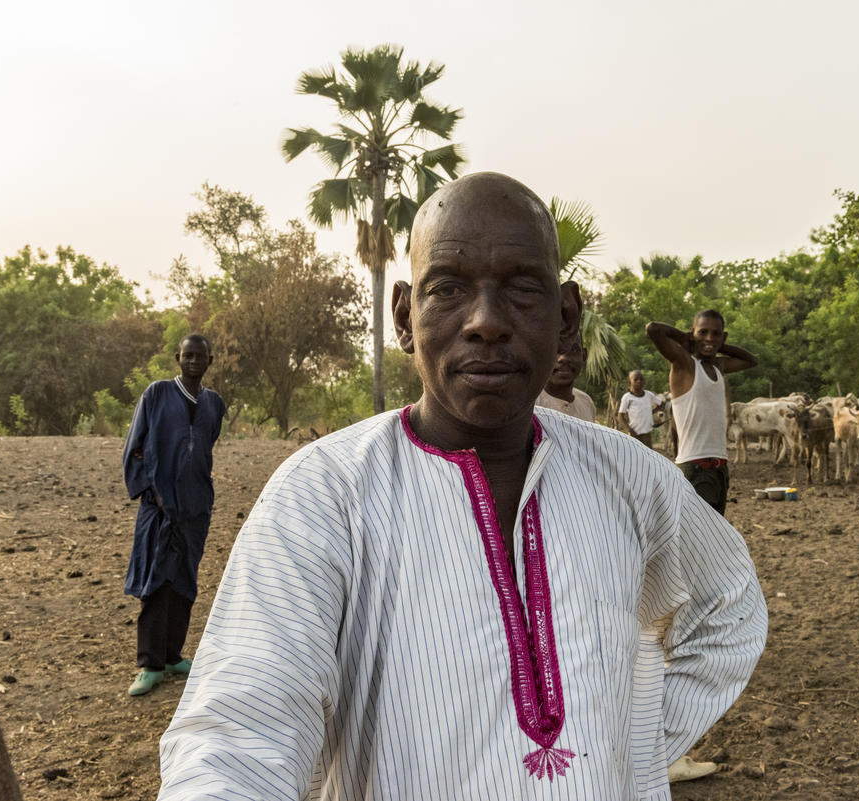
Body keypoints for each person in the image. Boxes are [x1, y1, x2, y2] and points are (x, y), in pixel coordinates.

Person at [157, 173, 766, 800]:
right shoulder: (324, 494)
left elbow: (729, 605)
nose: (485, 323)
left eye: (522, 289)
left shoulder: (630, 475)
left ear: (565, 318)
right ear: (403, 315)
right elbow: (234, 736)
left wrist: (629, 745)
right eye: (447, 288)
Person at [122, 334, 226, 697]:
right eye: (188, 355)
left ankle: (172, 656)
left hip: (196, 507)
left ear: (210, 361)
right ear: (177, 358)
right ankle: (149, 664)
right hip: (159, 507)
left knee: (184, 579)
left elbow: (205, 444)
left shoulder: (214, 403)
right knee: (155, 579)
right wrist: (149, 493)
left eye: (201, 356)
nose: (194, 361)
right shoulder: (157, 394)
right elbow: (135, 447)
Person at [646, 313, 757, 515]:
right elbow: (653, 329)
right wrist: (686, 339)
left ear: (724, 337)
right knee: (697, 539)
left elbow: (751, 360)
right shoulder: (685, 364)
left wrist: (717, 345)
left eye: (716, 334)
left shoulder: (719, 366)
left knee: (713, 536)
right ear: (692, 333)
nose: (709, 337)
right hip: (695, 466)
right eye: (703, 332)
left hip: (719, 466)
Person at [535, 335, 596, 422]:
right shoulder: (530, 405)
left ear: (584, 355)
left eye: (573, 350)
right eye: (554, 350)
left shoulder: (586, 402)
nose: (563, 358)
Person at [618, 369, 666, 448]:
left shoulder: (649, 395)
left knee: (648, 455)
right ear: (630, 382)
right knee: (636, 457)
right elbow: (620, 416)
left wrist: (651, 412)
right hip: (634, 434)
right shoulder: (627, 397)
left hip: (647, 433)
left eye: (641, 379)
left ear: (644, 382)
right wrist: (629, 430)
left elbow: (661, 403)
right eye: (635, 379)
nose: (639, 381)